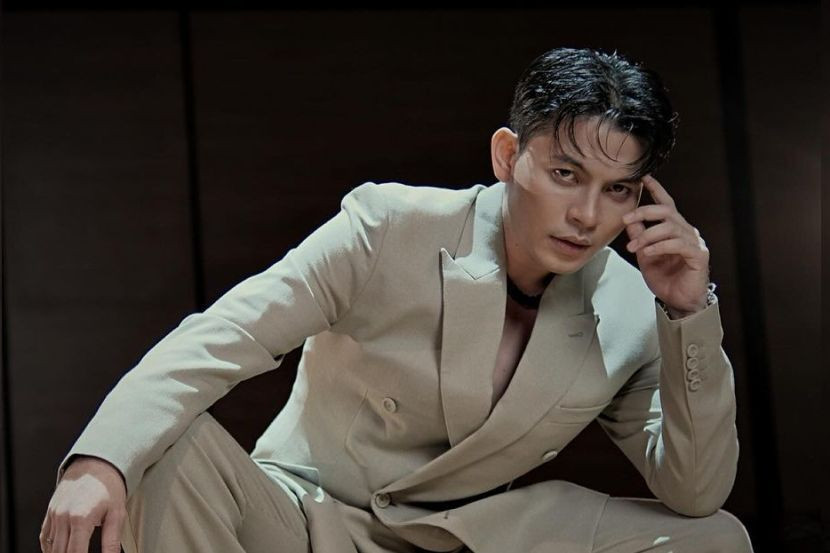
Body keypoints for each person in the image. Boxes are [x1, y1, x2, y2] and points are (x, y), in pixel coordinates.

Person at [40, 47, 754, 553]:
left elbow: (694, 490)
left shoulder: (632, 307)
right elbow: (224, 335)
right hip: (307, 520)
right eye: (565, 174)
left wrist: (688, 315)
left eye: (617, 190)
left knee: (712, 538)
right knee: (164, 443)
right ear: (509, 157)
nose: (587, 215)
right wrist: (98, 462)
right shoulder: (388, 227)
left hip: (468, 535)